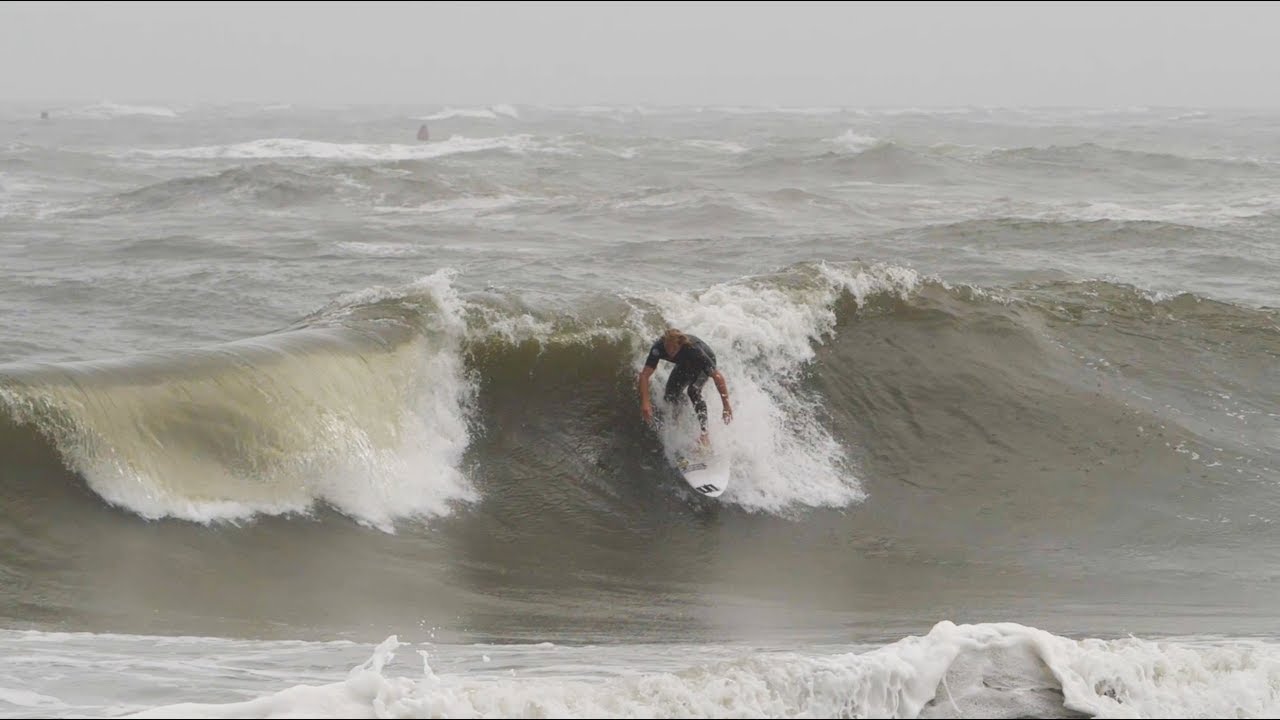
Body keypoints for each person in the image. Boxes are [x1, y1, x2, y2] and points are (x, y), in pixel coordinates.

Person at [638, 328, 733, 446]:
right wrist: (645, 403)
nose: (670, 352)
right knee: (670, 395)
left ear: (680, 344)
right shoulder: (658, 348)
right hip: (684, 363)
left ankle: (705, 434)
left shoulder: (693, 349)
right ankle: (679, 418)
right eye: (668, 348)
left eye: (674, 348)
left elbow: (718, 377)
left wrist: (726, 405)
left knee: (693, 390)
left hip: (704, 360)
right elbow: (644, 376)